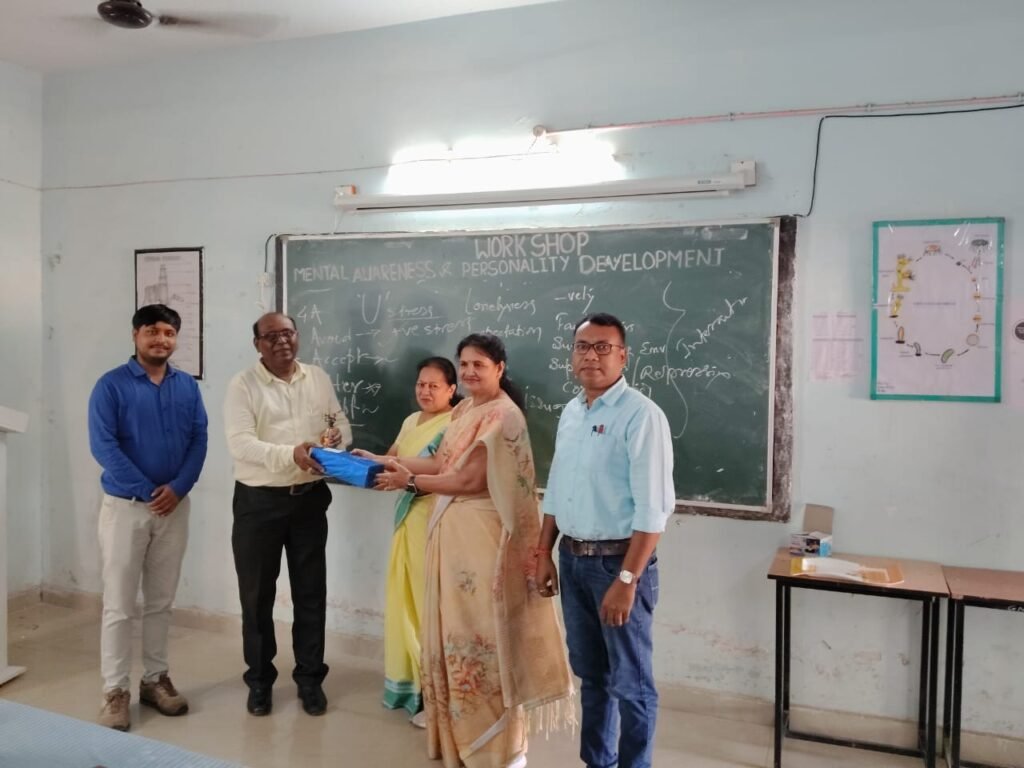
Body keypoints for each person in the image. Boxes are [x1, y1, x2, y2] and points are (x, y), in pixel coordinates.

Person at [364, 333, 574, 768]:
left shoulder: (503, 416)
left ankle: (499, 749)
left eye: (479, 364)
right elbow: (442, 464)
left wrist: (409, 482)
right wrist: (384, 462)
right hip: (451, 540)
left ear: (499, 368)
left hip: (483, 544)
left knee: (483, 640)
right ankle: (459, 739)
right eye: (464, 364)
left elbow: (468, 481)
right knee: (452, 637)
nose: (470, 371)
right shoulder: (464, 410)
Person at [536, 312, 674, 768]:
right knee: (592, 676)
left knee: (631, 684)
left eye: (602, 347)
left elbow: (653, 511)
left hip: (618, 564)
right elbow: (557, 490)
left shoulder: (641, 415)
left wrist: (628, 580)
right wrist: (543, 552)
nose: (591, 356)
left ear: (623, 356)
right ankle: (598, 762)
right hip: (572, 561)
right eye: (582, 346)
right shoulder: (572, 413)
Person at [223, 312, 351, 718]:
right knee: (257, 596)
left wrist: (335, 441)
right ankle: (260, 681)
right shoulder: (243, 385)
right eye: (271, 336)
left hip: (309, 500)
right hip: (258, 503)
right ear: (257, 344)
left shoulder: (317, 378)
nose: (282, 341)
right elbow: (241, 444)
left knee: (311, 594)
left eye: (288, 333)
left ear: (297, 336)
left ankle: (310, 679)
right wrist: (292, 454)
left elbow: (341, 425)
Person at [87, 303, 208, 731]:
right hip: (125, 508)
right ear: (136, 335)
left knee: (160, 601)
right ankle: (114, 691)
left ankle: (155, 680)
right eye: (152, 331)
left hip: (174, 507)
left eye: (169, 333)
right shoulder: (111, 386)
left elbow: (199, 438)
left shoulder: (186, 386)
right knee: (119, 604)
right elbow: (103, 445)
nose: (161, 339)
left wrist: (179, 487)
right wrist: (147, 490)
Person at [374, 357, 460, 726]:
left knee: (432, 610)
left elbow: (440, 466)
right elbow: (395, 457)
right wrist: (366, 460)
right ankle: (412, 688)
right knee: (405, 603)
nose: (425, 391)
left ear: (451, 390)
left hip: (435, 521)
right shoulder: (411, 420)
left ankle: (439, 696)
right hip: (406, 521)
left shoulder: (457, 421)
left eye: (434, 386)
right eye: (421, 384)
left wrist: (387, 463)